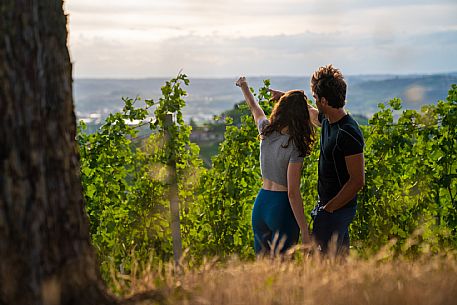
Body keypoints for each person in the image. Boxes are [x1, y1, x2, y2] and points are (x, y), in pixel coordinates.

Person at [270, 64, 365, 256]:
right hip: (329, 208)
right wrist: (285, 98)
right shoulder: (329, 120)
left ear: (324, 100)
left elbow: (357, 181)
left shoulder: (348, 133)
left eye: (315, 98)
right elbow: (312, 114)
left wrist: (328, 210)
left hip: (337, 210)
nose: (314, 101)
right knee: (337, 261)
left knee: (320, 262)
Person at [235, 76, 316, 255]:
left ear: (280, 110)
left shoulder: (266, 130)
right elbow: (293, 193)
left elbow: (254, 107)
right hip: (281, 209)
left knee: (264, 270)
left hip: (261, 205)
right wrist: (305, 231)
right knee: (283, 270)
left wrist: (244, 86)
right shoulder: (295, 146)